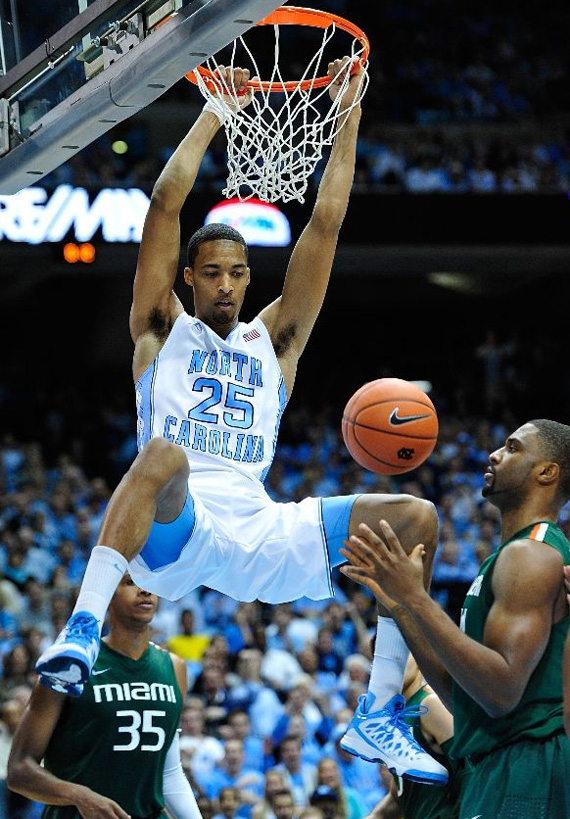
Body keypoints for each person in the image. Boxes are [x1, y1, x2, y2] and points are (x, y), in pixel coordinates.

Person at [35, 58, 445, 782]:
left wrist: (348, 112)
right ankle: (82, 625)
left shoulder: (275, 341)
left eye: (238, 272)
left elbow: (327, 219)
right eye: (212, 272)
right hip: (177, 524)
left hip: (258, 527)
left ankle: (380, 710)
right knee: (164, 452)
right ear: (189, 279)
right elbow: (165, 204)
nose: (226, 283)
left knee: (416, 520)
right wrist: (216, 112)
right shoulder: (160, 328)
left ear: (250, 280)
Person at [342, 419, 570, 818]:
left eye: (513, 448)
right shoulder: (512, 555)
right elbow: (464, 697)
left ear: (547, 472)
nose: (495, 454)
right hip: (498, 766)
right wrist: (401, 606)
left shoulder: (530, 556)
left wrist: (416, 596)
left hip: (526, 769)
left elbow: (500, 693)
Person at [7, 573, 200, 819]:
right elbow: (19, 769)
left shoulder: (174, 667)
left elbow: (169, 772)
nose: (145, 590)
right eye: (131, 582)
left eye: (150, 582)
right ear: (107, 595)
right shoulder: (70, 663)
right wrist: (79, 796)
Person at [366, 656, 466, 819]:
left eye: (403, 653)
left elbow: (467, 768)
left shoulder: (429, 704)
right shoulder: (396, 719)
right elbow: (400, 795)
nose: (395, 661)